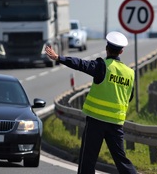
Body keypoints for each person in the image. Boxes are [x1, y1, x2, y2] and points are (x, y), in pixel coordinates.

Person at [45, 31, 137, 174]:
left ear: (107, 48)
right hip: (116, 123)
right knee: (121, 160)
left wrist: (59, 58)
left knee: (88, 159)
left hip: (96, 122)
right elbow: (129, 97)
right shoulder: (129, 73)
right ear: (121, 51)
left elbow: (80, 64)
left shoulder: (102, 66)